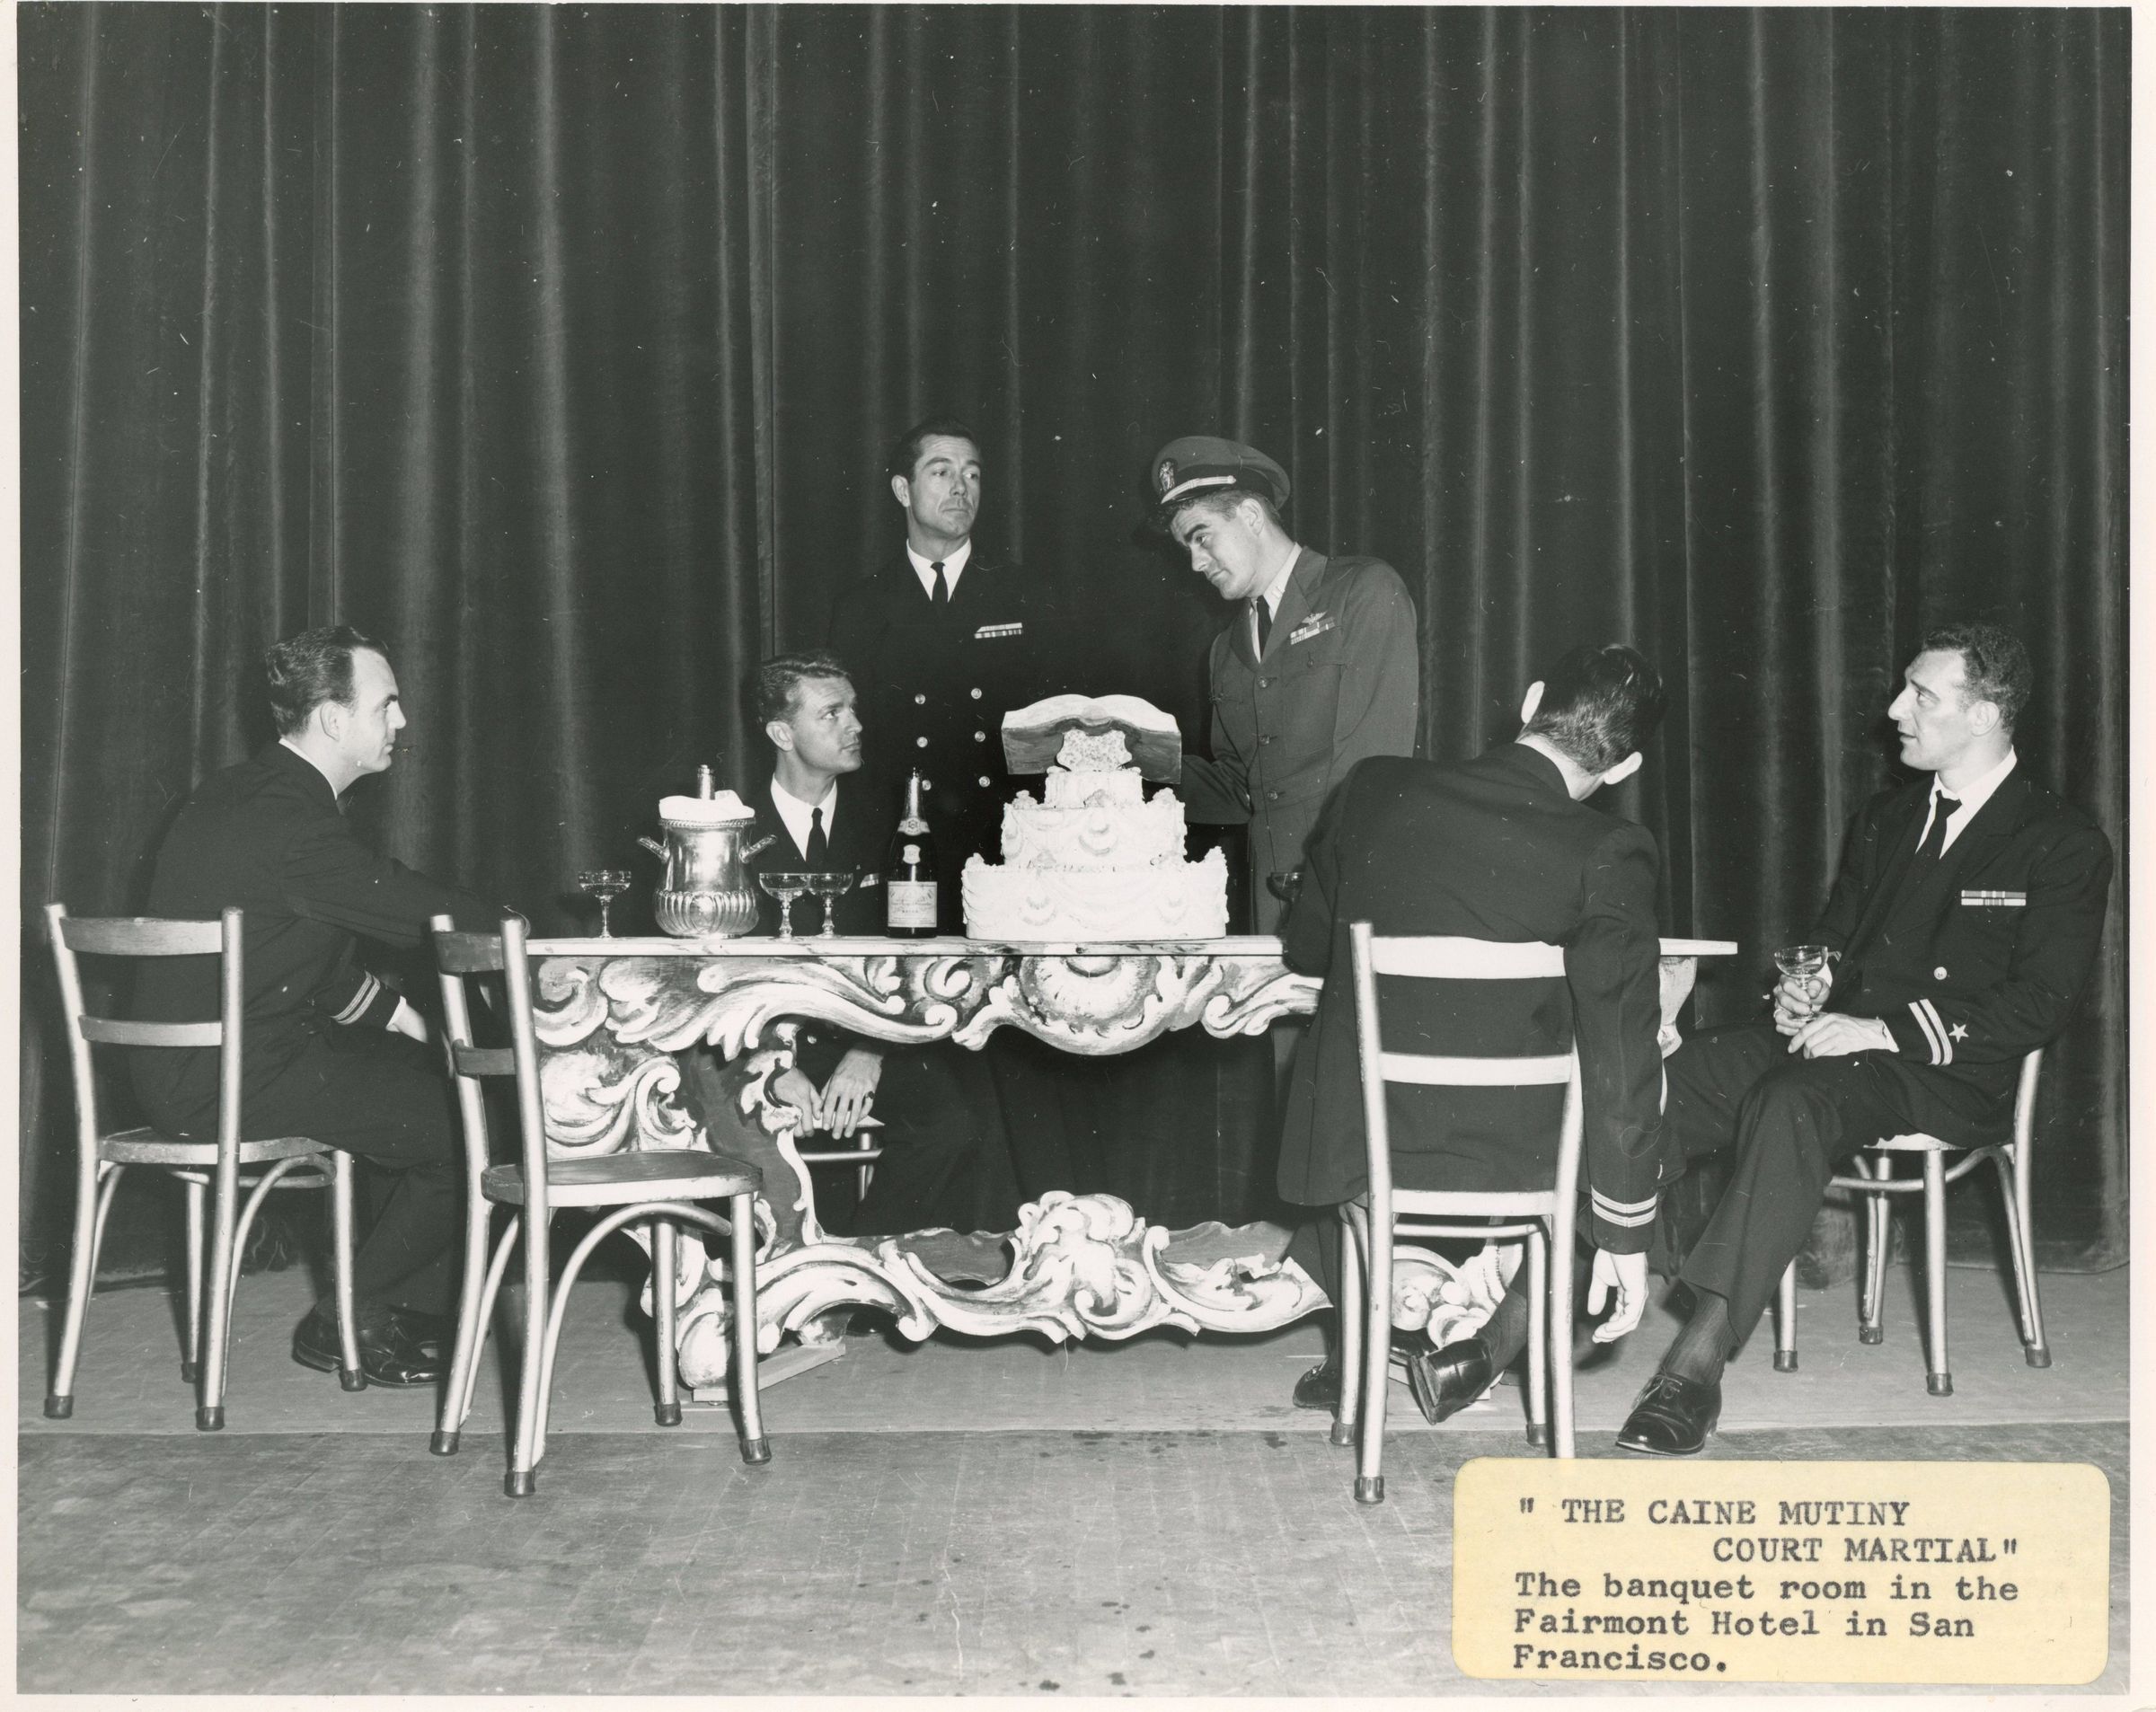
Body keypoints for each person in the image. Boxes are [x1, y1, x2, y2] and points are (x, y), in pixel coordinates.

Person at [1617, 622, 2114, 1456]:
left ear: (1984, 714)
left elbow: (2041, 1003)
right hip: (1841, 1047)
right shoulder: (1888, 817)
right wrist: (1805, 987)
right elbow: (1835, 941)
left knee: (1794, 1100)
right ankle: (1521, 1320)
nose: (1894, 711)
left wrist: (1880, 1029)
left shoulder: (2060, 841)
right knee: (1671, 1073)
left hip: (1945, 1074)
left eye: (1921, 695)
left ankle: (1693, 1366)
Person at [1275, 643, 1673, 1418]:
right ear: (1624, 767)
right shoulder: (1609, 850)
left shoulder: (1373, 786)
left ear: (1530, 701)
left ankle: (1366, 1338)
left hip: (1359, 1141)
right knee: (1650, 1096)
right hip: (1513, 1163)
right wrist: (1626, 1237)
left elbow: (1307, 949)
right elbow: (1621, 1057)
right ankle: (1494, 1340)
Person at [130, 624, 504, 1388]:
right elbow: (417, 909)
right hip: (229, 1076)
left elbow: (309, 967)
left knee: (424, 1087)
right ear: (334, 720)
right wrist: (514, 927)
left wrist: (411, 1024)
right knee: (474, 1124)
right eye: (386, 704)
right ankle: (352, 1313)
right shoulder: (296, 822)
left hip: (197, 1065)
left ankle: (385, 1308)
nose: (401, 721)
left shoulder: (240, 792)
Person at [827, 417, 1082, 1210]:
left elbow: (1058, 730)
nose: (961, 487)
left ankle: (1033, 1226)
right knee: (925, 1041)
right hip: (906, 848)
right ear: (903, 490)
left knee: (1017, 1055)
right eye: (941, 471)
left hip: (1003, 851)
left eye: (973, 473)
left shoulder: (1025, 594)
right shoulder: (862, 604)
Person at [702, 649, 1013, 1235]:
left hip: (866, 1034)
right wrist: (769, 1062)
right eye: (832, 713)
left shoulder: (889, 822)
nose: (856, 725)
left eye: (853, 709)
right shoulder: (728, 825)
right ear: (781, 733)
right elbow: (713, 974)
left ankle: (859, 1257)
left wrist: (871, 1051)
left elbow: (916, 958)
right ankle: (772, 1266)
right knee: (730, 1138)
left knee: (951, 1125)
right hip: (751, 1040)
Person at [1152, 436, 1419, 934]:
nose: (1195, 563)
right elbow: (1239, 789)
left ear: (1251, 516)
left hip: (1351, 888)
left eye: (1202, 538)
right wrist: (1138, 760)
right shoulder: (1225, 650)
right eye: (1187, 547)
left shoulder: (1361, 591)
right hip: (1272, 902)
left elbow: (1375, 767)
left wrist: (1332, 893)